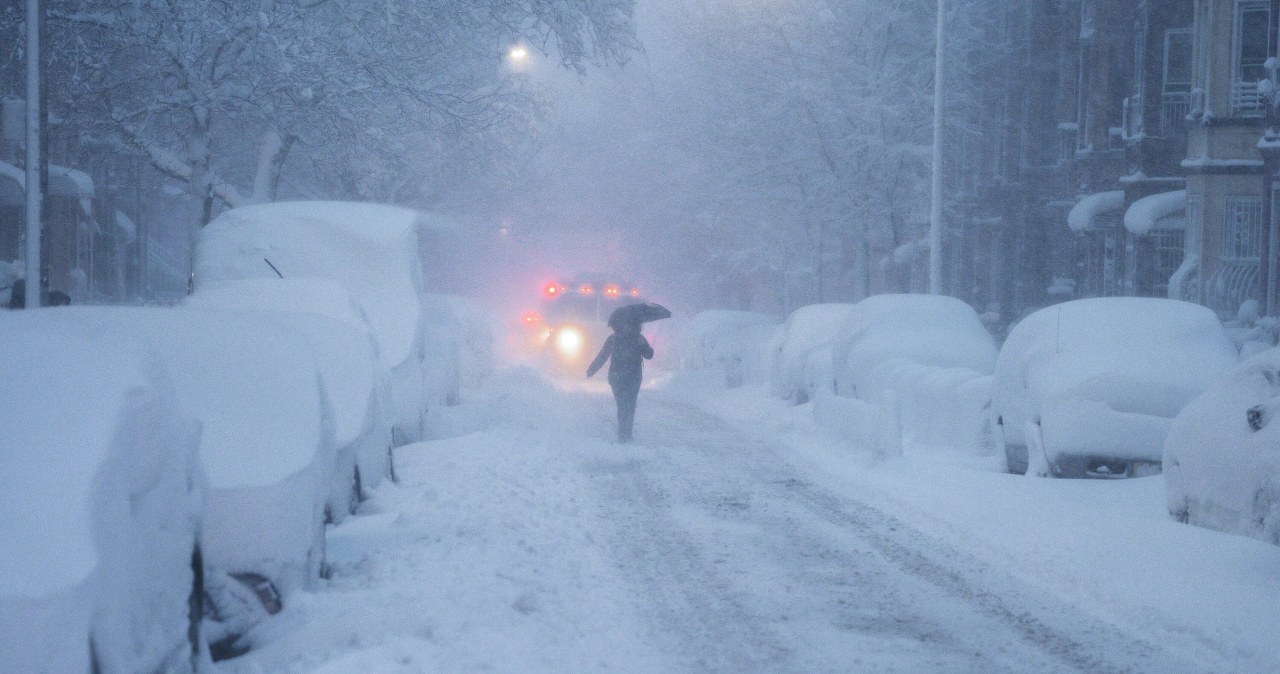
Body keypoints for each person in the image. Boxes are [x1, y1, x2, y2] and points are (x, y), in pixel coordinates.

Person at [586, 319, 654, 442]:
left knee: (622, 404)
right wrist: (646, 347)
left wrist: (592, 369)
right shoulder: (639, 338)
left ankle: (623, 434)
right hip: (634, 377)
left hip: (616, 376)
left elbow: (603, 356)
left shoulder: (613, 338)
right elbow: (649, 355)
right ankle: (628, 433)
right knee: (631, 404)